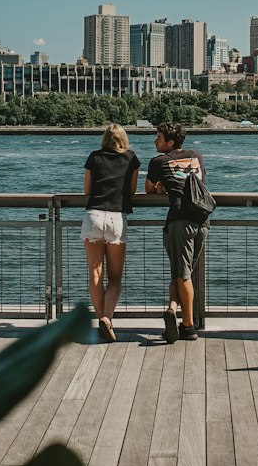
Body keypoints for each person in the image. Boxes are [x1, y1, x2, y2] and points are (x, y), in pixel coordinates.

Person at [145, 121, 209, 343]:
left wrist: (162, 186)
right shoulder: (197, 156)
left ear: (170, 142)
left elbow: (148, 189)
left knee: (183, 275)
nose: (155, 141)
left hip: (179, 220)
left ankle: (189, 327)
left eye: (159, 138)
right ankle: (172, 308)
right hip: (202, 220)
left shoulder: (158, 162)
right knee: (181, 273)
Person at [82, 124, 140, 342]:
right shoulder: (131, 158)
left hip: (93, 215)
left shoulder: (94, 157)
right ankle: (107, 318)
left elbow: (87, 190)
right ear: (123, 140)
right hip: (116, 217)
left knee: (95, 274)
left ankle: (102, 321)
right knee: (115, 277)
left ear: (104, 139)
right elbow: (132, 191)